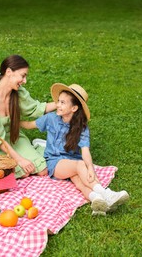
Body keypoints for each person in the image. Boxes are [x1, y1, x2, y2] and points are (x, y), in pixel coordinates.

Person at [20, 83, 129, 215]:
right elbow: (28, 125)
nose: (58, 105)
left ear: (74, 108)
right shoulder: (51, 118)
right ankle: (106, 193)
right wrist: (10, 121)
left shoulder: (81, 127)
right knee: (80, 165)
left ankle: (98, 200)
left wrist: (90, 168)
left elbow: (85, 151)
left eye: (63, 102)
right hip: (55, 162)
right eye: (58, 101)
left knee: (79, 180)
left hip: (73, 162)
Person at [0, 55, 56, 179]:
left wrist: (61, 102)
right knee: (21, 171)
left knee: (42, 170)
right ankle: (31, 153)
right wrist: (20, 160)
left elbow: (35, 109)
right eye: (23, 75)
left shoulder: (18, 93)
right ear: (8, 72)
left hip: (13, 137)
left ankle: (38, 148)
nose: (25, 81)